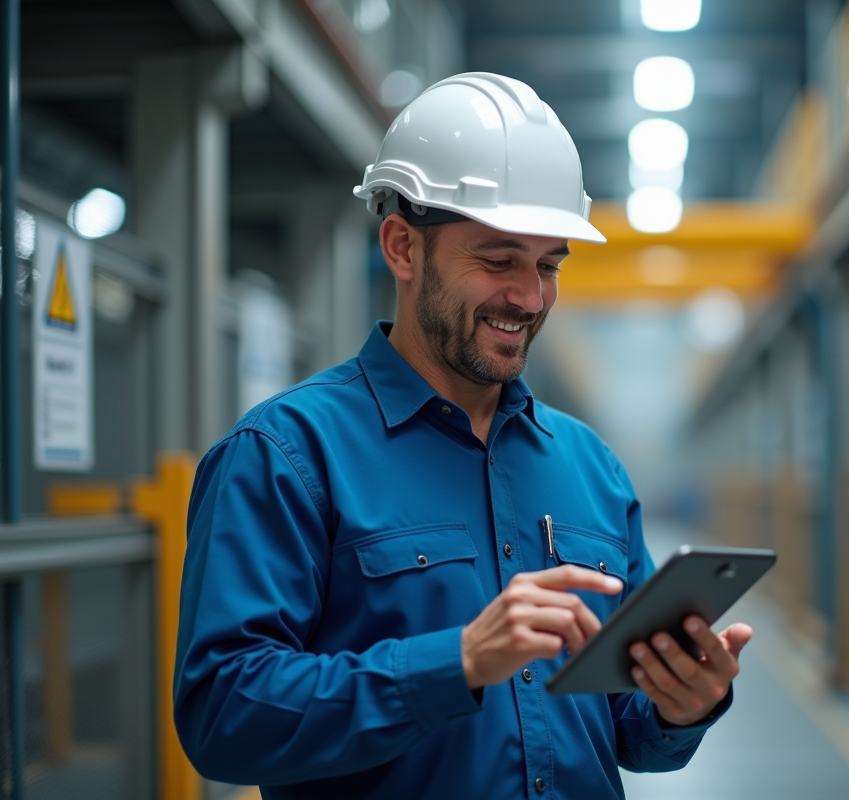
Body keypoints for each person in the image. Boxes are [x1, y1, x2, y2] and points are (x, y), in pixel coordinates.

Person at [174, 72, 752, 800]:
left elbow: (628, 730)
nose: (531, 297)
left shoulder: (591, 467)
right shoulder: (286, 455)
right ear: (403, 248)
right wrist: (456, 663)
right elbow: (222, 714)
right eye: (499, 259)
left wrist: (683, 703)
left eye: (548, 266)